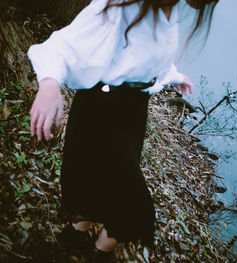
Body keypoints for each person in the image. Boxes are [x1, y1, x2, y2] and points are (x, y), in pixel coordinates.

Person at [28, 0, 218, 262]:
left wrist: (174, 76)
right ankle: (100, 252)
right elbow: (66, 43)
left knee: (100, 179)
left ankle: (75, 235)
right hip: (101, 112)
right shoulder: (120, 4)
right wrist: (49, 84)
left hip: (132, 112)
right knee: (132, 204)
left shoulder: (169, 7)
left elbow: (147, 60)